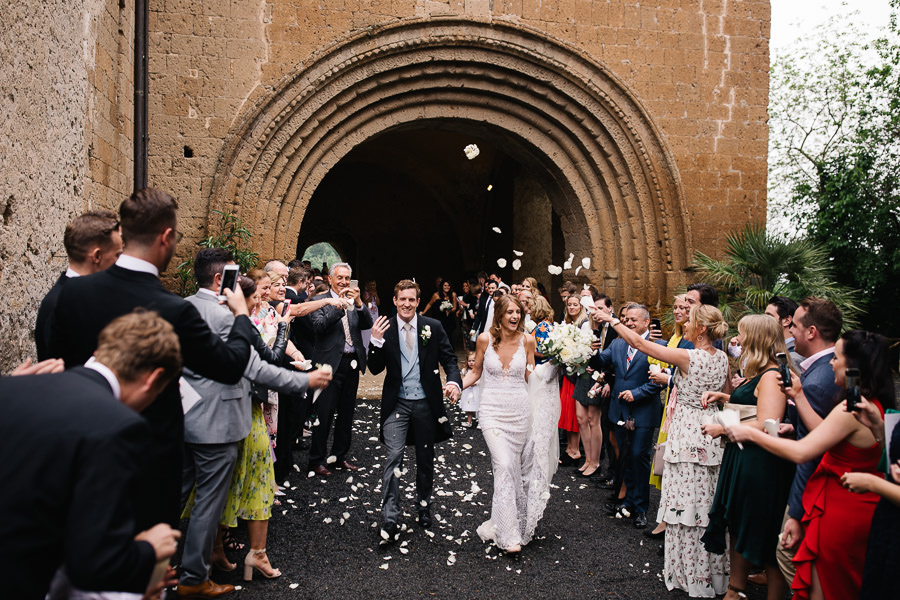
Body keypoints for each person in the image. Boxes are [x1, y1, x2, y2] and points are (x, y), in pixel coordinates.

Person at [48, 188, 257, 530]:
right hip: (149, 457)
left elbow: (60, 366)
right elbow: (230, 364)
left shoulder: (70, 293)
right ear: (166, 237)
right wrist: (241, 316)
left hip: (81, 450)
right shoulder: (174, 310)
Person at [177, 251, 331, 598]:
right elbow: (256, 368)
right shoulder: (228, 316)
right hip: (220, 422)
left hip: (186, 416)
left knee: (179, 495)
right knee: (207, 504)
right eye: (232, 277)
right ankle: (192, 579)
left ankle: (155, 567)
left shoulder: (184, 306)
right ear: (220, 281)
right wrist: (304, 382)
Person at [0, 311, 182, 600]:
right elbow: (93, 564)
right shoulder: (118, 426)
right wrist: (147, 550)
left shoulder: (9, 387)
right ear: (153, 380)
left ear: (100, 352)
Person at [722, 328, 894, 600]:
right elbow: (826, 432)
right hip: (847, 503)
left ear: (853, 367)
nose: (831, 363)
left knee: (829, 587)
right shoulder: (870, 404)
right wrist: (799, 396)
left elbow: (803, 452)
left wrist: (750, 432)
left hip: (842, 508)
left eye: (836, 358)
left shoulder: (850, 410)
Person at [366, 279, 462, 540]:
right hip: (396, 403)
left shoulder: (433, 326)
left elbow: (450, 360)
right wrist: (374, 341)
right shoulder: (384, 329)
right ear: (395, 301)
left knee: (425, 459)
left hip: (425, 405)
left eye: (412, 299)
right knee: (393, 457)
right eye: (402, 299)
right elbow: (374, 368)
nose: (407, 303)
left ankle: (423, 506)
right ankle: (389, 516)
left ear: (418, 302)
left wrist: (454, 381)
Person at [464, 295, 553, 553]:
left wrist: (552, 368)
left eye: (518, 312)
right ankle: (509, 535)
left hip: (520, 412)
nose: (514, 316)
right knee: (503, 465)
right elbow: (476, 371)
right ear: (500, 315)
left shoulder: (528, 340)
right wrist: (457, 385)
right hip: (491, 411)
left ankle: (502, 520)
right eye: (509, 312)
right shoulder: (484, 339)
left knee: (512, 470)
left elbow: (530, 374)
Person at [777, 298, 842, 583]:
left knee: (791, 560)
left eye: (796, 326)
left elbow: (811, 452)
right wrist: (794, 427)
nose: (790, 331)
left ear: (812, 332)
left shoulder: (819, 379)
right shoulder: (824, 370)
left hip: (814, 492)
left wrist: (797, 510)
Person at [589, 304, 665, 528]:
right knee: (625, 457)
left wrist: (637, 393)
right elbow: (600, 362)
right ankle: (627, 502)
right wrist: (592, 350)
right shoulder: (618, 343)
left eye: (634, 320)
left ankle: (641, 508)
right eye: (627, 319)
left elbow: (658, 380)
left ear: (646, 322)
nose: (629, 323)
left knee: (639, 457)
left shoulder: (658, 345)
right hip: (619, 408)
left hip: (643, 410)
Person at [307, 262, 375, 477]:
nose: (344, 282)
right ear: (330, 279)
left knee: (346, 415)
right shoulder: (318, 300)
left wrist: (358, 303)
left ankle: (339, 456)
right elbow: (317, 326)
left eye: (347, 278)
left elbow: (366, 324)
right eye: (340, 278)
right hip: (327, 365)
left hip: (351, 363)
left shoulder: (354, 300)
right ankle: (316, 460)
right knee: (324, 415)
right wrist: (339, 306)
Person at [35, 210, 123, 361]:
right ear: (97, 256)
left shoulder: (92, 296)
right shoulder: (58, 305)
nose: (121, 262)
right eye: (117, 255)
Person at [559, 294, 588, 465]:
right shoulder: (566, 323)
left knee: (573, 412)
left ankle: (575, 450)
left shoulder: (584, 324)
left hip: (576, 373)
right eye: (569, 304)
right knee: (567, 411)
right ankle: (570, 448)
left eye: (575, 304)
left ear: (581, 306)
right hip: (567, 371)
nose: (571, 307)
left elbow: (583, 348)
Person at [459, 351, 481, 428]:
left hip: (477, 391)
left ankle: (480, 422)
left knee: (479, 407)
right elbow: (463, 379)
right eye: (469, 361)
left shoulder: (480, 371)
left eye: (473, 361)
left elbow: (481, 380)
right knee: (469, 406)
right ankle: (469, 422)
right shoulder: (465, 371)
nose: (471, 363)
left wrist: (474, 382)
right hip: (468, 392)